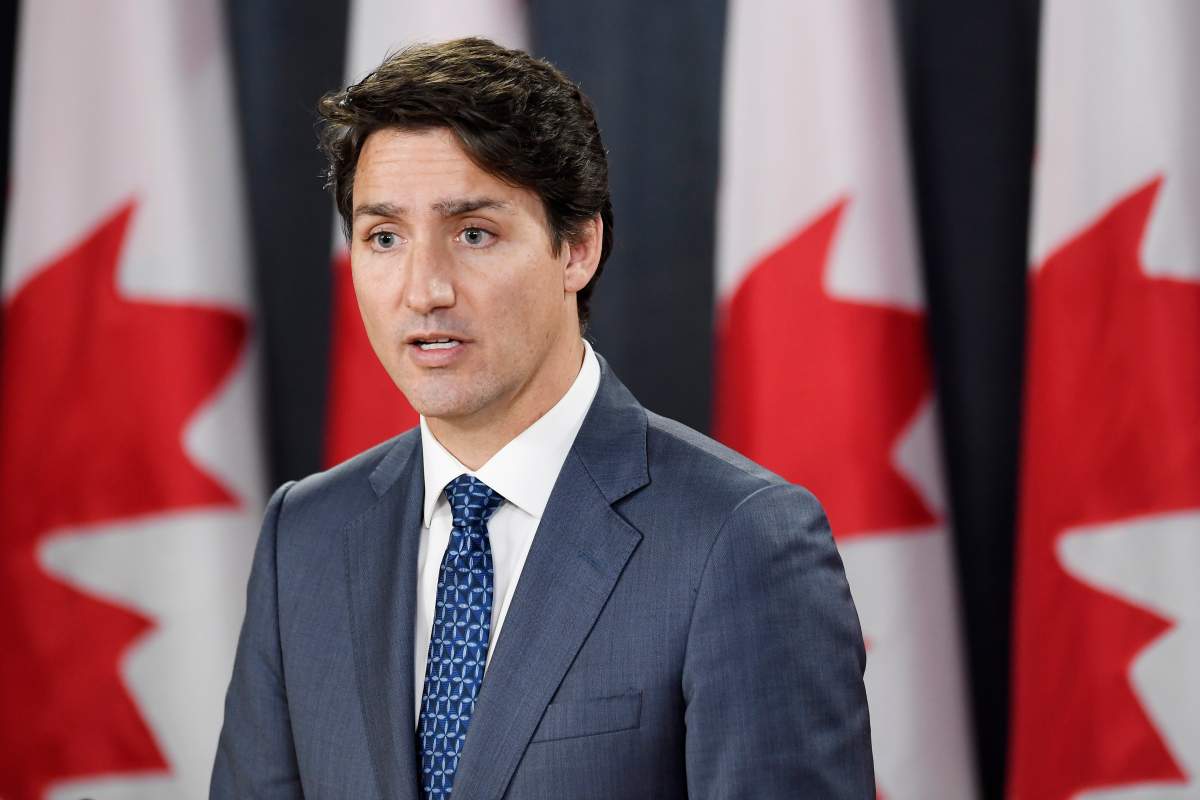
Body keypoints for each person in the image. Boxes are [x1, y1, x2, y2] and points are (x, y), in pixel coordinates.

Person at [212, 37, 873, 800]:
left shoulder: (741, 539)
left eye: (474, 233)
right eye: (384, 238)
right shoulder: (306, 537)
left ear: (578, 248)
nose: (423, 289)